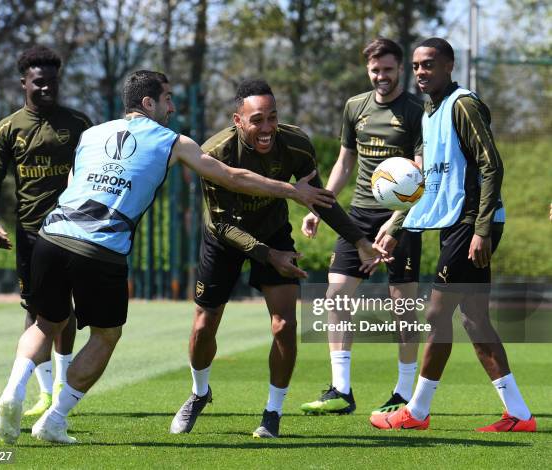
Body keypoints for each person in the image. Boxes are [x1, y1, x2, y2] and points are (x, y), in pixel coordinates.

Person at [0, 70, 351, 445]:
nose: (173, 106)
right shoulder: (173, 141)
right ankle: (55, 419)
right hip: (100, 248)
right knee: (105, 335)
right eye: (167, 98)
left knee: (45, 323)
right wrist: (291, 191)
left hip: (52, 236)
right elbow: (233, 177)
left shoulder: (91, 134)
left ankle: (14, 388)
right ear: (148, 103)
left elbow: (72, 186)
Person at [169, 79, 389, 439]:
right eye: (257, 120)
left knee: (285, 326)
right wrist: (271, 257)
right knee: (203, 326)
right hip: (226, 237)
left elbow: (319, 199)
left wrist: (360, 241)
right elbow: (222, 225)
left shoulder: (296, 144)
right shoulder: (215, 152)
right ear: (237, 120)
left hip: (273, 233)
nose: (267, 127)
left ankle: (272, 412)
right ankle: (199, 392)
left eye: (273, 117)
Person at [370, 38, 536, 432]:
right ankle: (520, 415)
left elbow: (491, 165)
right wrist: (396, 223)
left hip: (471, 222)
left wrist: (481, 229)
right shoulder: (431, 113)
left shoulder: (463, 104)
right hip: (457, 222)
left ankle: (417, 411)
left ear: (449, 65)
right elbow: (429, 180)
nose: (421, 72)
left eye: (429, 64)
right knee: (475, 319)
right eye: (416, 66)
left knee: (436, 313)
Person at [299, 38, 424, 417]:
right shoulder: (356, 106)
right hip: (357, 217)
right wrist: (320, 205)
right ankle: (341, 390)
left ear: (399, 69)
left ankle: (403, 393)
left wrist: (395, 222)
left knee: (403, 307)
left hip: (402, 218)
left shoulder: (417, 110)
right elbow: (344, 163)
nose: (380, 76)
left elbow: (420, 169)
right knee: (336, 298)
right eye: (375, 70)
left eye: (387, 69)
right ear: (367, 69)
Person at [0, 46, 91, 417]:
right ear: (24, 83)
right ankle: (44, 391)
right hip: (29, 233)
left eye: (53, 83)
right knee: (35, 310)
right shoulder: (9, 128)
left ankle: (61, 382)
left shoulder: (78, 123)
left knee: (68, 309)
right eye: (39, 83)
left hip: (71, 230)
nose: (47, 89)